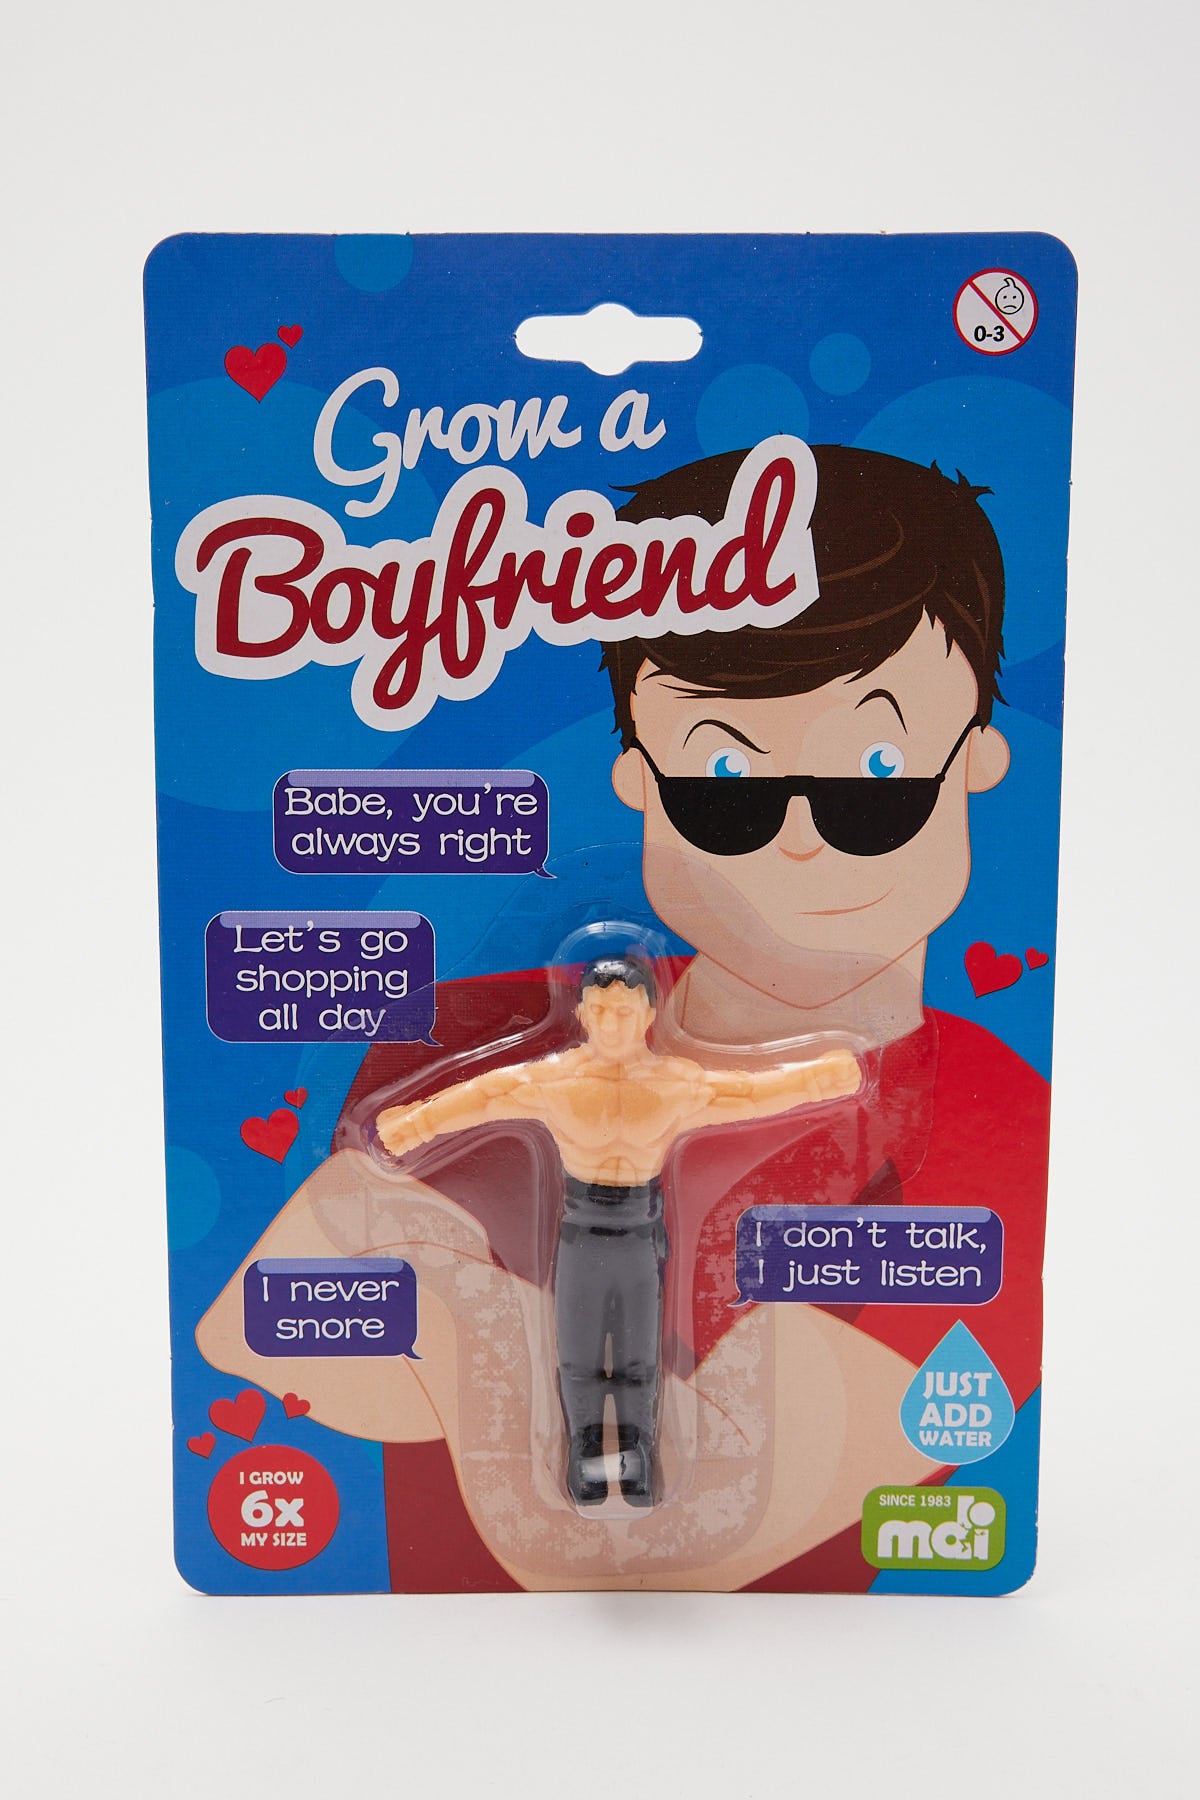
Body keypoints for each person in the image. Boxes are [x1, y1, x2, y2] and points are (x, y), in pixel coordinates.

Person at [198, 442, 1049, 1592]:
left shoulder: (997, 1126)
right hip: (421, 1648)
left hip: (786, 1662)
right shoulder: (468, 1022)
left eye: (874, 768)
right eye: (726, 781)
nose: (801, 834)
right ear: (639, 780)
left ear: (977, 761)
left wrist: (448, 1290)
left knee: (620, 1389)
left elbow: (663, 1543)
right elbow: (257, 1332)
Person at [374, 953, 861, 1506]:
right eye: (600, 1010)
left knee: (638, 1357)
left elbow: (749, 1093)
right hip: (581, 1231)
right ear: (582, 1012)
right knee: (580, 1354)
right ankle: (585, 1453)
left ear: (648, 1014)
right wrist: (414, 1124)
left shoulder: (674, 1084)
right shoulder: (557, 1080)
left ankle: (636, 1454)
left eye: (624, 1011)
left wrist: (817, 1080)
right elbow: (485, 1095)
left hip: (639, 1231)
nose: (611, 1024)